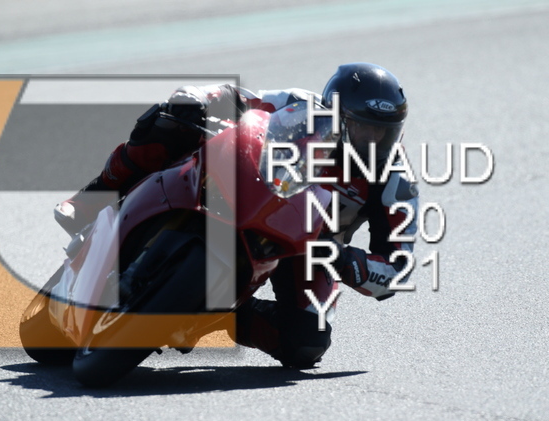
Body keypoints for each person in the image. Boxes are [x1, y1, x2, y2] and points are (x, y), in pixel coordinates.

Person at [54, 63, 418, 368]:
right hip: (246, 184)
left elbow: (397, 267)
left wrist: (346, 259)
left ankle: (221, 312)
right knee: (168, 122)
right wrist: (196, 98)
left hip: (307, 245)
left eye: (384, 131)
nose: (374, 140)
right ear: (334, 114)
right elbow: (236, 97)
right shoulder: (299, 105)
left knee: (306, 343)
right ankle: (92, 198)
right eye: (363, 127)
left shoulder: (396, 180)